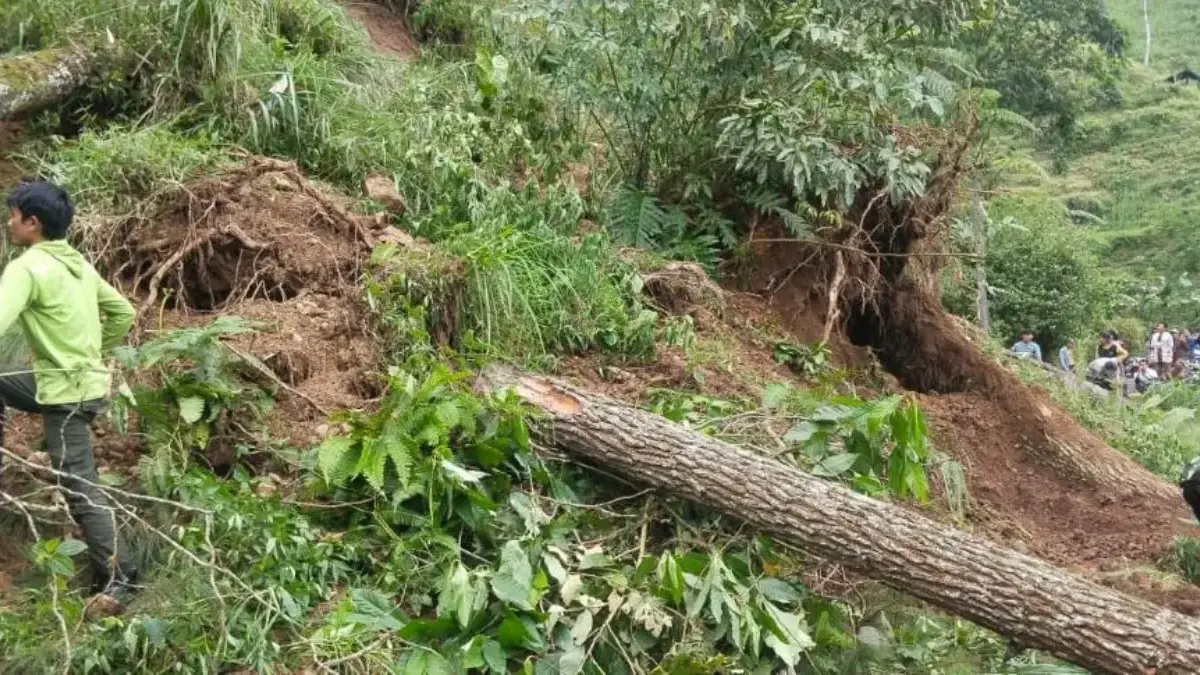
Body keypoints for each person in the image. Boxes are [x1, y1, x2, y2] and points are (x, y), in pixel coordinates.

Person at [1, 181, 137, 610]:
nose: (8, 223)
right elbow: (123, 312)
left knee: (79, 486)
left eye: (13, 216)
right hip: (82, 383)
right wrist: (94, 355)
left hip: (65, 395)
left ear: (32, 223)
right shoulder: (77, 263)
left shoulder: (27, 268)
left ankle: (121, 576)